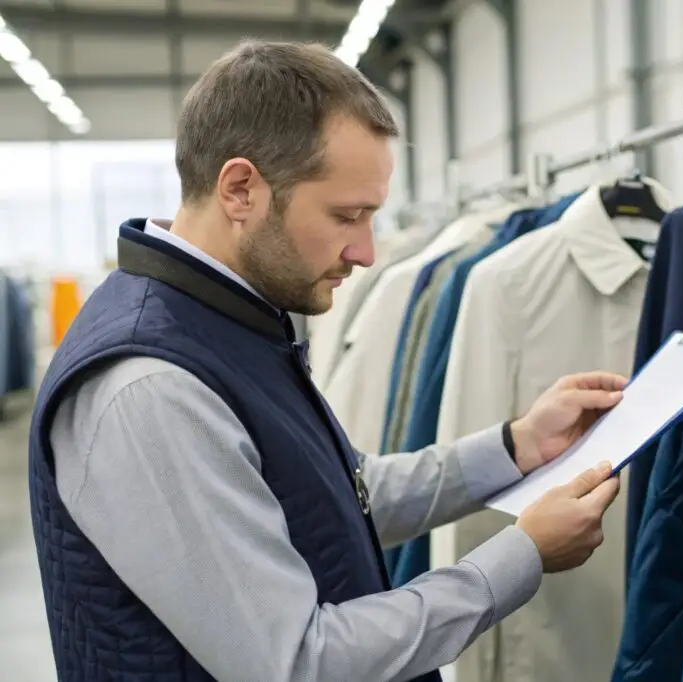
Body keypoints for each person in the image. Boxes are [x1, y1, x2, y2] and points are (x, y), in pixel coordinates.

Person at [27, 40, 626, 682]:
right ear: (240, 190)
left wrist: (516, 447)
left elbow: (337, 497)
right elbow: (299, 662)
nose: (366, 252)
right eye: (347, 216)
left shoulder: (230, 323)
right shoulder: (151, 388)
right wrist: (521, 555)